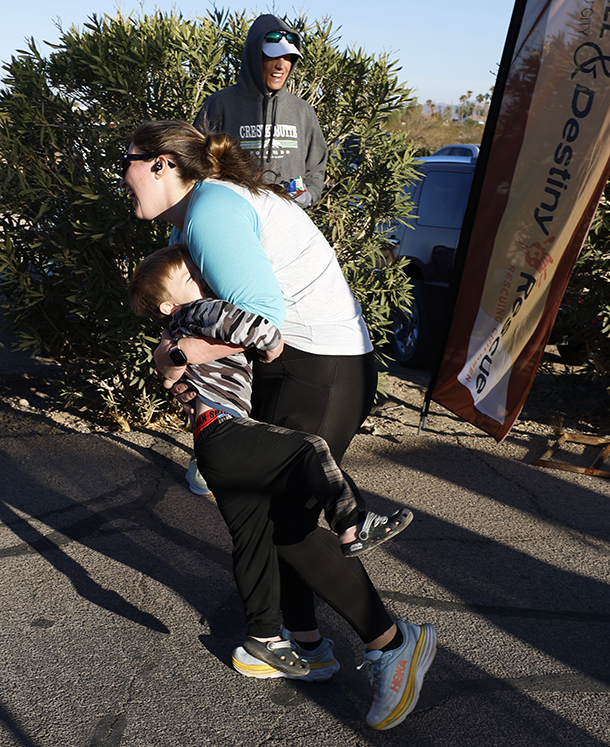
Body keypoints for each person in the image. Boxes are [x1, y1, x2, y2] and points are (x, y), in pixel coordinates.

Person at [121, 123, 435, 730]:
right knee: (275, 515)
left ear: (161, 165)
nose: (122, 177)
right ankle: (308, 644)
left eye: (127, 163)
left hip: (319, 367)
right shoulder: (197, 211)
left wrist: (176, 355)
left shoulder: (209, 208)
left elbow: (262, 322)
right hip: (305, 367)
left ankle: (391, 645)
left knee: (288, 525)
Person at [128, 243, 412, 553]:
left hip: (210, 431)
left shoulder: (175, 331)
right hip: (225, 425)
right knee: (310, 448)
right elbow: (253, 328)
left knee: (254, 529)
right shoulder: (203, 309)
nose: (202, 277)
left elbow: (172, 377)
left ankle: (281, 581)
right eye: (191, 277)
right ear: (169, 305)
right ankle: (351, 525)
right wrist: (272, 343)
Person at [194, 14, 327, 207]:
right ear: (254, 57)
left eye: (288, 57)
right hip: (236, 219)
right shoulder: (220, 104)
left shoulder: (302, 111)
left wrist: (309, 195)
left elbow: (316, 167)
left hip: (287, 222)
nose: (281, 65)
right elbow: (196, 164)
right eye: (273, 56)